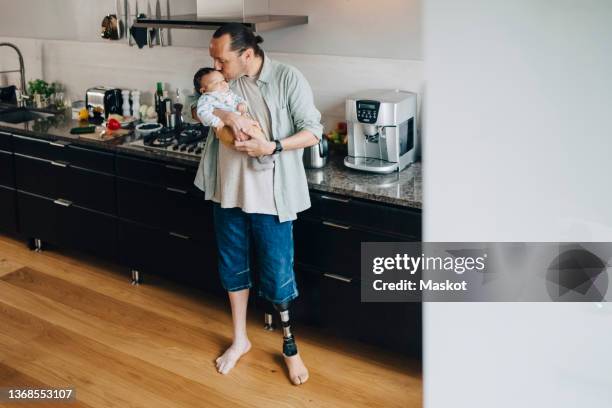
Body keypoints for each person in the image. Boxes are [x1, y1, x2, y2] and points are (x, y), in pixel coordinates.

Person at [193, 23, 322, 385]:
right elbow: (197, 107)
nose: (216, 67)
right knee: (232, 267)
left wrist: (272, 147)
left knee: (278, 275)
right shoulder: (220, 82)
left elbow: (314, 130)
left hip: (271, 196)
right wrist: (227, 116)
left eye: (222, 60)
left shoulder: (287, 78)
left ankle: (289, 346)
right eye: (213, 60)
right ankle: (240, 339)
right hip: (227, 190)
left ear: (247, 55)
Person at [193, 67, 273, 170]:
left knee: (256, 131)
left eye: (223, 80)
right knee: (240, 140)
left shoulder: (229, 93)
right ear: (204, 90)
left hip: (241, 118)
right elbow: (202, 113)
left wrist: (242, 104)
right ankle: (259, 158)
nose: (222, 84)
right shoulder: (206, 98)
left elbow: (238, 99)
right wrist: (216, 121)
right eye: (216, 83)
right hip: (225, 126)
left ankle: (264, 154)